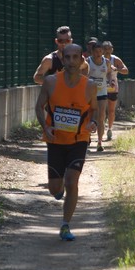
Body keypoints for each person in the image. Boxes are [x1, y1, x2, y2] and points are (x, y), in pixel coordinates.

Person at [35, 43, 98, 241]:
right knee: (55, 189)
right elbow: (39, 107)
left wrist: (93, 123)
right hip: (55, 140)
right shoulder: (51, 82)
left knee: (72, 181)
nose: (71, 61)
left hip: (79, 140)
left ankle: (65, 225)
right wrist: (46, 128)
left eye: (75, 57)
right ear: (62, 60)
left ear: (81, 60)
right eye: (67, 57)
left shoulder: (89, 86)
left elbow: (94, 110)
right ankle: (58, 188)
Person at [103, 40, 129, 141]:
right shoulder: (98, 59)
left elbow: (126, 71)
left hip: (112, 88)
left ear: (112, 49)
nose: (107, 51)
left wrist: (116, 69)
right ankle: (101, 126)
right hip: (100, 87)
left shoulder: (115, 59)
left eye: (109, 49)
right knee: (101, 110)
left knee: (111, 110)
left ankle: (109, 129)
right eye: (105, 49)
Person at [87, 41, 108, 151]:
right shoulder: (88, 62)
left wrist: (111, 81)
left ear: (103, 52)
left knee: (101, 117)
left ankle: (99, 142)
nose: (98, 53)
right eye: (96, 51)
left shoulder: (107, 62)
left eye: (100, 51)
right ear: (92, 52)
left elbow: (108, 74)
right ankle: (87, 138)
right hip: (90, 94)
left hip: (102, 93)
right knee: (90, 117)